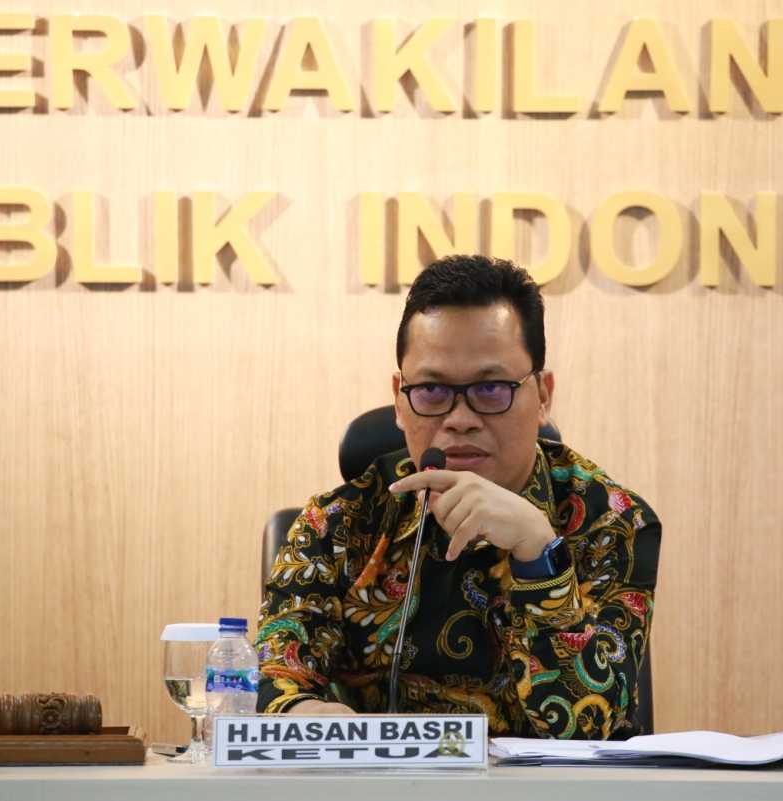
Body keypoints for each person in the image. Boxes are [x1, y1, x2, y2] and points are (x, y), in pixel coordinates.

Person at [255, 255, 661, 739]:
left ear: (543, 395)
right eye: (431, 390)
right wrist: (302, 713)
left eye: (491, 389)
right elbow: (277, 681)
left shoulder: (610, 522)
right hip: (380, 786)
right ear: (399, 400)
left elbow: (589, 728)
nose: (461, 419)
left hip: (552, 791)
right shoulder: (337, 525)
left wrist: (539, 555)